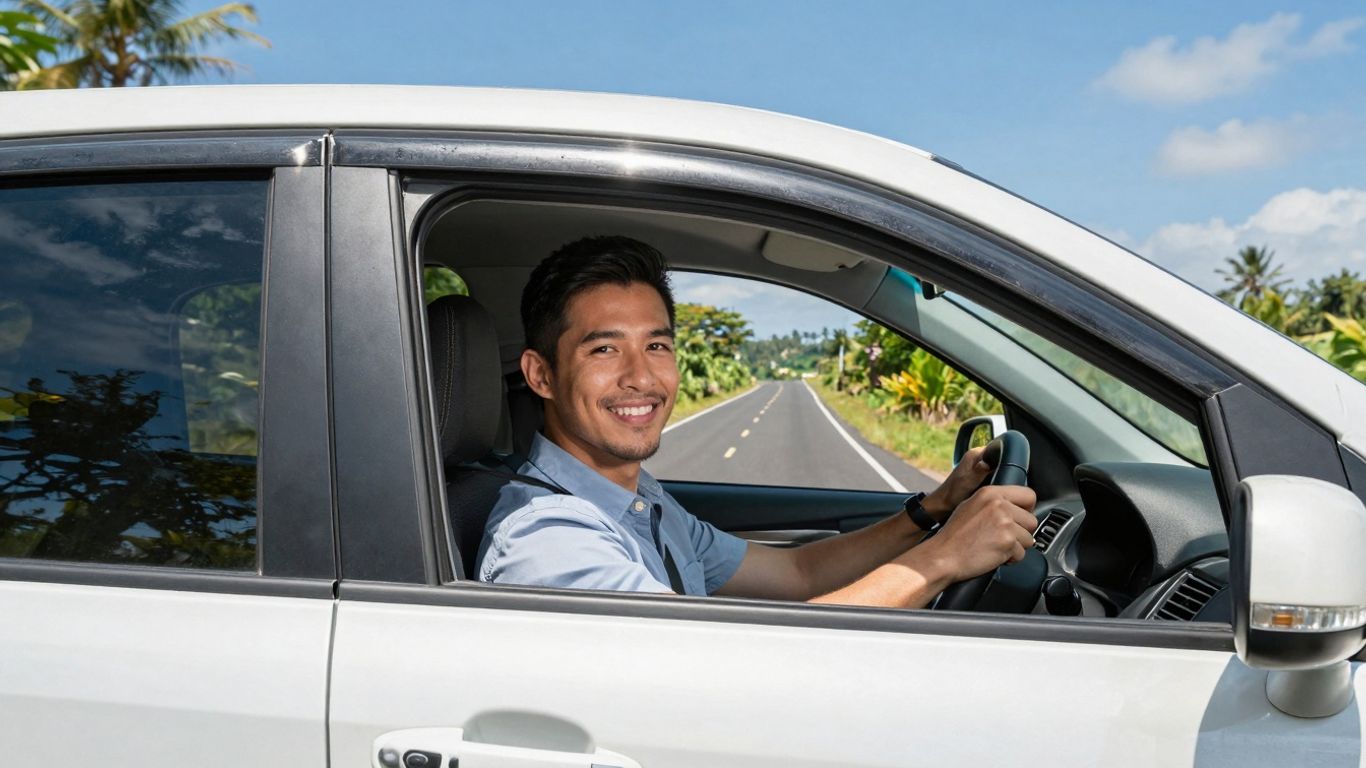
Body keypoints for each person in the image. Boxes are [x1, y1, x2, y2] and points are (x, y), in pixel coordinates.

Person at [476, 235, 1038, 608]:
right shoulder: (549, 539)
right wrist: (945, 557)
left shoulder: (640, 502)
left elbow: (799, 576)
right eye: (604, 350)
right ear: (541, 375)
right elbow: (731, 670)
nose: (641, 378)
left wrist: (932, 511)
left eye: (657, 345)